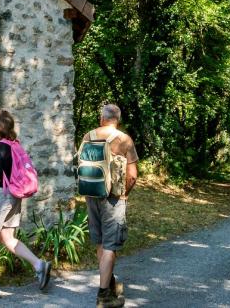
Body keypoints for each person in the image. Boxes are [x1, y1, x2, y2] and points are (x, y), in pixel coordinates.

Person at [0, 110, 52, 300]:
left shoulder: (0, 146)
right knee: (7, 237)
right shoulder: (15, 144)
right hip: (15, 195)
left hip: (2, 197)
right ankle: (39, 265)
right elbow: (7, 171)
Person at [81, 104, 139, 308]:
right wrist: (123, 195)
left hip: (91, 194)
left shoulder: (87, 137)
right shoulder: (123, 139)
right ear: (118, 120)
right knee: (111, 244)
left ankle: (110, 283)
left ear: (101, 118)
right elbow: (132, 175)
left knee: (101, 242)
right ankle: (104, 295)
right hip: (113, 197)